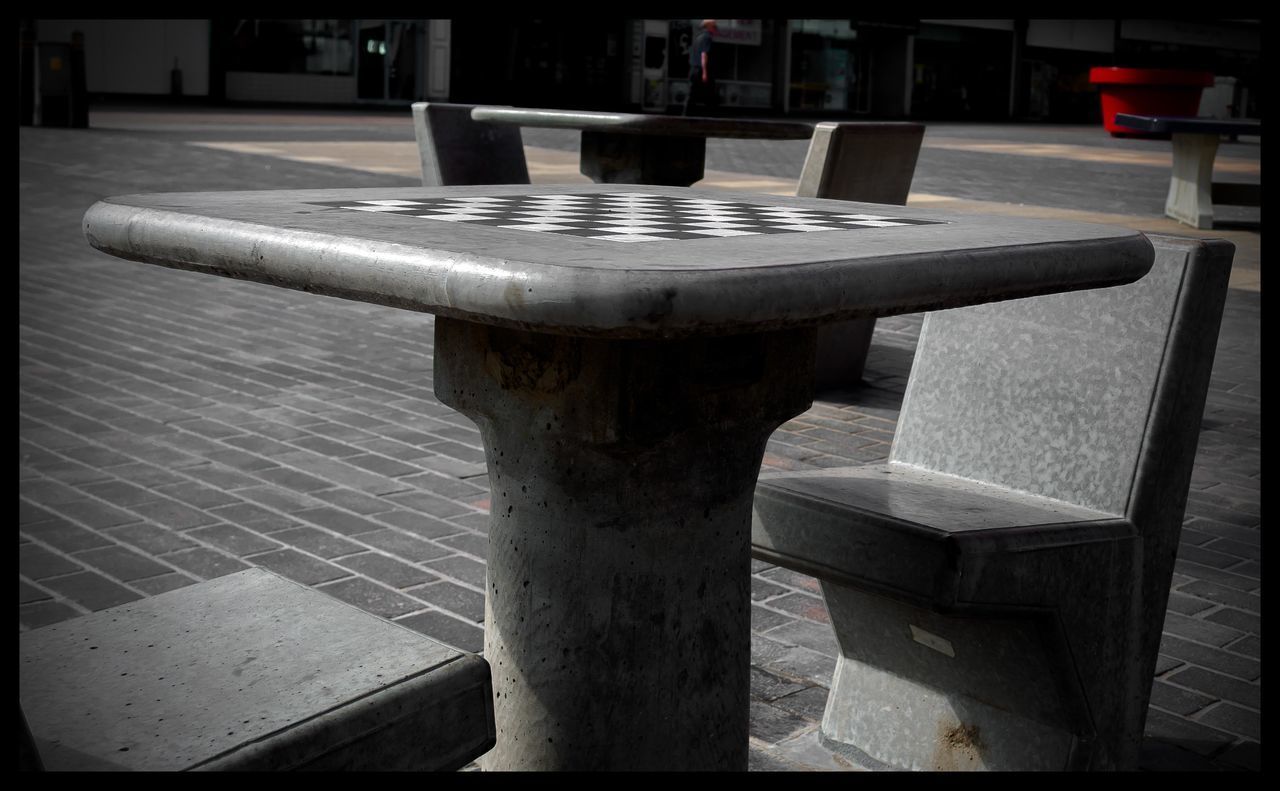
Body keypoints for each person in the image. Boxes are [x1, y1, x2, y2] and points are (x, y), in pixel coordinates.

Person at [683, 19, 719, 115]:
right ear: (709, 27)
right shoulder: (707, 37)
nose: (716, 29)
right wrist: (704, 72)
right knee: (711, 97)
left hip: (693, 70)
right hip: (702, 70)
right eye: (714, 27)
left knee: (692, 97)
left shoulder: (698, 37)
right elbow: (704, 54)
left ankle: (685, 118)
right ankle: (711, 121)